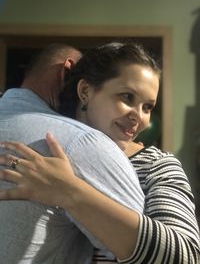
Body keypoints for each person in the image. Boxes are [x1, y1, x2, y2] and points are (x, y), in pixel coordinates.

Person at [0, 42, 199, 264]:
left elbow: (186, 257)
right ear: (85, 91)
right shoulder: (51, 143)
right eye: (127, 97)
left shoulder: (157, 165)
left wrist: (69, 192)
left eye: (148, 107)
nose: (139, 117)